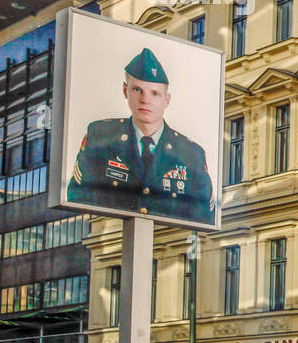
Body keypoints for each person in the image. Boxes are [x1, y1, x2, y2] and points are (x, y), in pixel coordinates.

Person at [67, 47, 214, 224]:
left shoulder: (191, 153)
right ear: (125, 90)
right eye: (137, 90)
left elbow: (203, 216)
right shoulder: (100, 136)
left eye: (154, 93)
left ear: (166, 100)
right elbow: (78, 195)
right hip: (112, 242)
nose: (145, 100)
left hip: (167, 244)